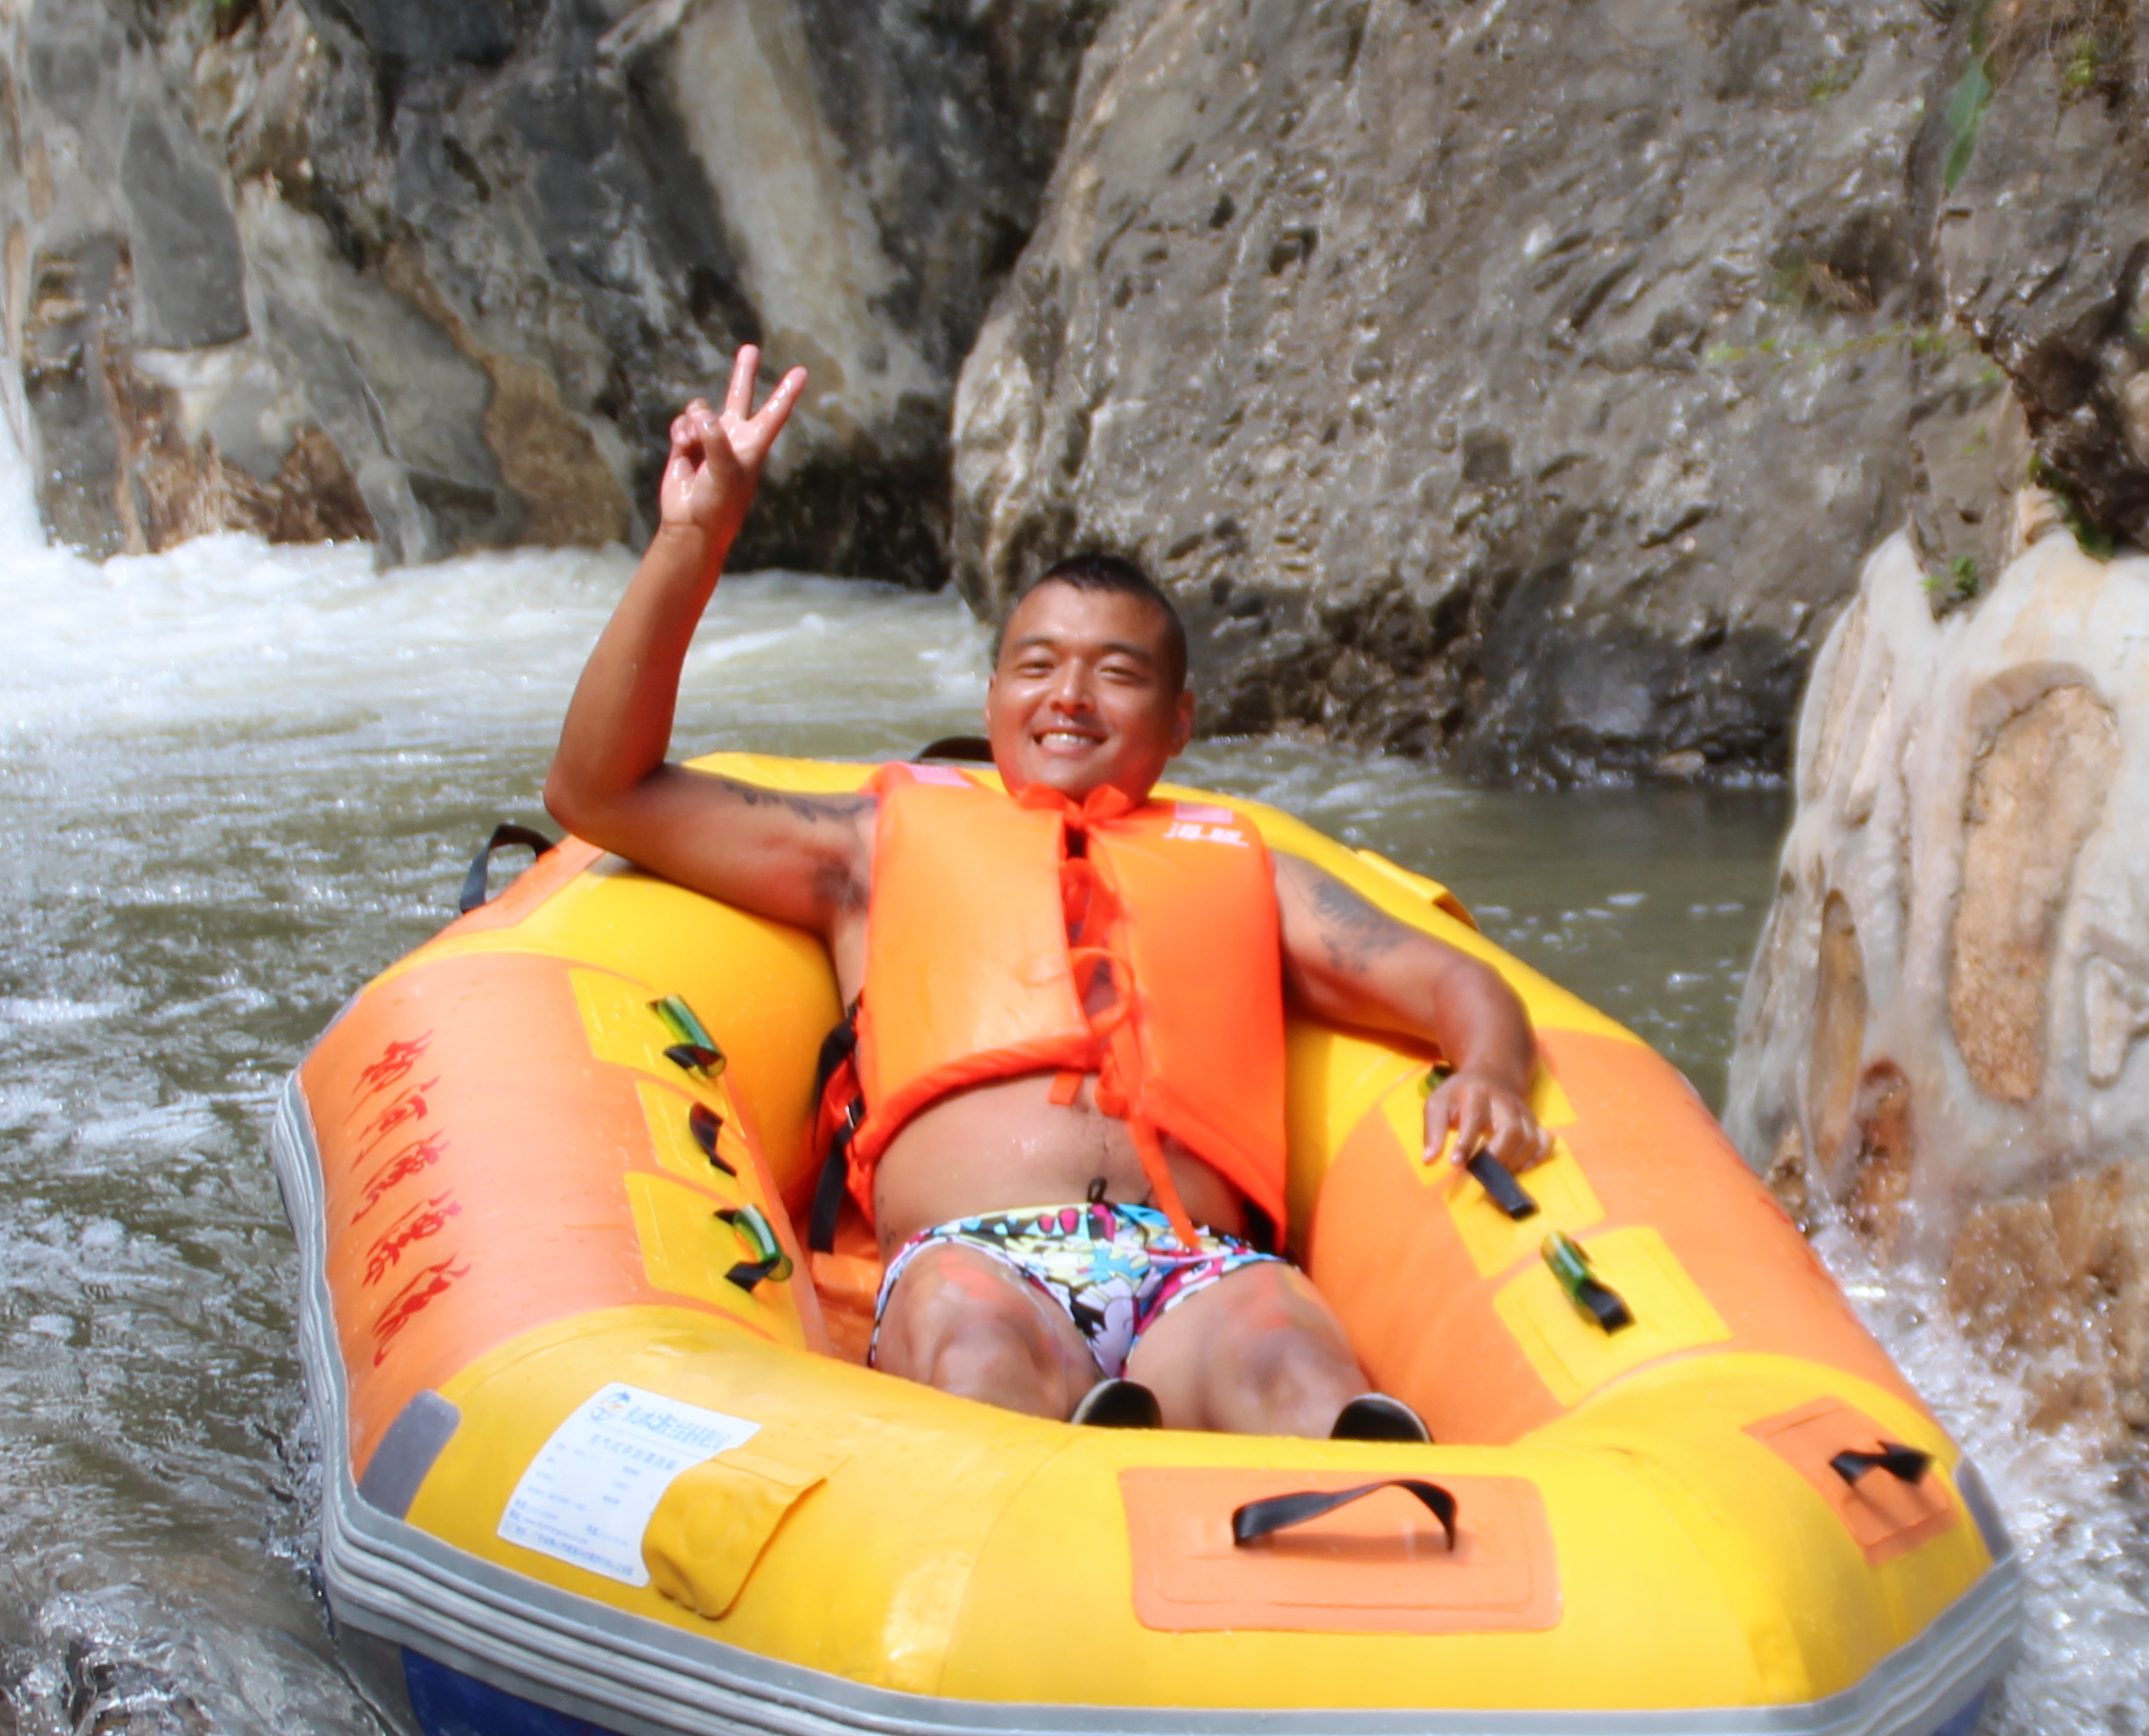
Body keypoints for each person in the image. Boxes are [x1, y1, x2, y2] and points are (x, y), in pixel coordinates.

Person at [544, 345, 1554, 1440]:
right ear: (990, 699)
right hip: (975, 1258)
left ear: (1179, 722)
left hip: (1198, 1271)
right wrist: (696, 538)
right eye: (1036, 666)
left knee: (1287, 1343)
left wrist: (1492, 1070)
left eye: (1116, 673)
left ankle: (1362, 1536)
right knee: (976, 1336)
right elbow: (601, 789)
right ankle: (1060, 1485)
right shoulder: (869, 845)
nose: (1070, 696)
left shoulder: (1245, 865)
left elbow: (1453, 982)